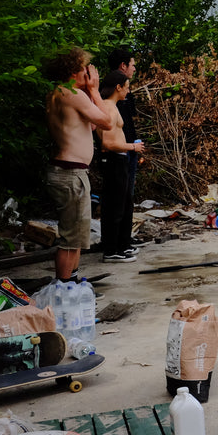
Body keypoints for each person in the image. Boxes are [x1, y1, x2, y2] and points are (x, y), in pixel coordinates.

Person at [43, 47, 114, 281]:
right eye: (87, 69)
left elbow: (92, 126)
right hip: (70, 173)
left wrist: (90, 93)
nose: (91, 73)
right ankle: (64, 289)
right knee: (71, 238)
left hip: (68, 171)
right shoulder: (73, 94)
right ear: (75, 70)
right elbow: (106, 122)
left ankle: (72, 282)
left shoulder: (58, 94)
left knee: (76, 237)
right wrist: (94, 90)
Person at [97, 71, 145, 262]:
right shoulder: (109, 108)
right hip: (114, 160)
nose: (128, 90)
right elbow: (107, 143)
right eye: (126, 86)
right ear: (118, 87)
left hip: (120, 160)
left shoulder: (112, 107)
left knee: (123, 204)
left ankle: (120, 245)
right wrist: (132, 146)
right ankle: (111, 250)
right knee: (115, 206)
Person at [107, 48, 139, 201]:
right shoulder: (109, 95)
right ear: (123, 66)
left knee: (127, 194)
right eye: (132, 64)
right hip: (119, 151)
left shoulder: (126, 91)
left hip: (129, 148)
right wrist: (129, 146)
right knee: (120, 196)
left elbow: (131, 115)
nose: (134, 68)